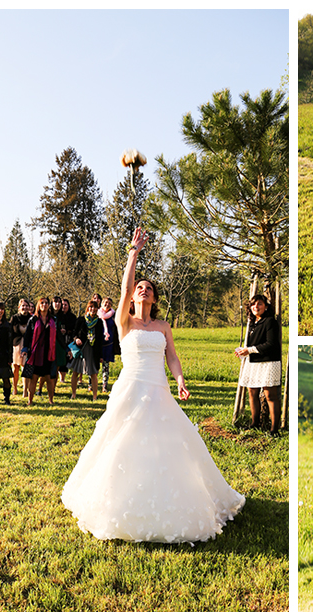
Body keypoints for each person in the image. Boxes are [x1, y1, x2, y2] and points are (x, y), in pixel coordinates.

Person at [61, 225, 245, 543]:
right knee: (120, 442)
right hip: (131, 387)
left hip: (158, 389)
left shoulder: (162, 326)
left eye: (148, 287)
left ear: (155, 297)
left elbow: (172, 357)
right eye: (139, 287)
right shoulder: (124, 320)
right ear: (133, 296)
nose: (143, 290)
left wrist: (180, 380)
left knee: (170, 445)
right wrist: (134, 254)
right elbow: (124, 288)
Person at [234, 294, 282, 435]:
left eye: (260, 304)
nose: (256, 307)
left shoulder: (270, 322)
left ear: (266, 307)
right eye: (254, 304)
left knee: (270, 395)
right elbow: (250, 344)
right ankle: (255, 424)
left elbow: (271, 344)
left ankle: (274, 429)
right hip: (253, 362)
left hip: (268, 362)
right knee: (252, 392)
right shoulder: (252, 322)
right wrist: (243, 351)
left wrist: (249, 350)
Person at [22, 297, 61, 406]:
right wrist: (25, 349)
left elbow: (58, 336)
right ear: (39, 305)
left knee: (49, 378)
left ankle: (51, 400)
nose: (44, 305)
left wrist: (67, 349)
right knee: (34, 378)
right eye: (42, 303)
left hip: (49, 352)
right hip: (36, 353)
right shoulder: (33, 319)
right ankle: (30, 401)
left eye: (46, 303)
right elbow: (27, 336)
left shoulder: (52, 320)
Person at [69, 300, 104, 401]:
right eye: (91, 307)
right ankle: (73, 394)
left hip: (93, 350)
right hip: (81, 349)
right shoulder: (81, 320)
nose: (93, 309)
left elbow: (100, 340)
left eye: (95, 307)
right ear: (88, 308)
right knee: (75, 372)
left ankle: (95, 396)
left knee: (93, 373)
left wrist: (101, 355)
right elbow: (74, 333)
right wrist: (76, 339)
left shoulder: (99, 322)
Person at [98, 296, 120, 392]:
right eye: (106, 303)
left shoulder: (114, 315)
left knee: (106, 366)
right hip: (98, 343)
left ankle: (104, 385)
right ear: (102, 303)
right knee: (94, 365)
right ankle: (91, 384)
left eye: (109, 304)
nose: (107, 305)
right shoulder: (97, 313)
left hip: (109, 344)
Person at [10, 299, 31, 395]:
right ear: (19, 307)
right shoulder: (14, 318)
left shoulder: (32, 318)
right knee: (15, 368)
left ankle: (25, 390)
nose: (25, 308)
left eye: (27, 306)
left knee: (25, 367)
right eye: (23, 306)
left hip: (27, 345)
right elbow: (10, 332)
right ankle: (14, 388)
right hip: (16, 345)